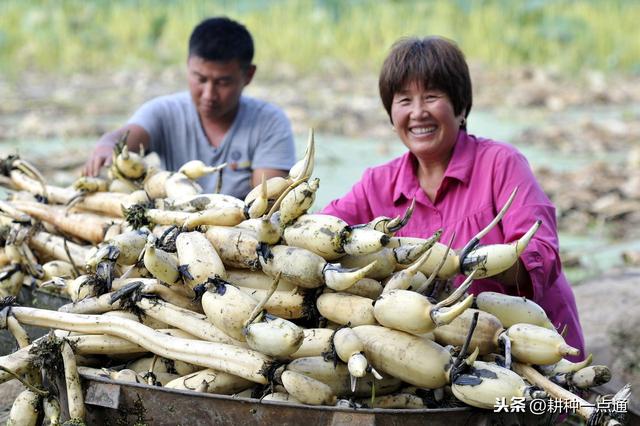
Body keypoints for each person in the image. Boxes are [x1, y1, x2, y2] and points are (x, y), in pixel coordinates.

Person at [321, 36, 585, 360]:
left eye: (431, 97)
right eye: (404, 100)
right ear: (391, 115)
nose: (418, 113)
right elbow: (325, 231)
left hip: (531, 352)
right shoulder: (377, 184)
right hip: (440, 358)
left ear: (460, 107)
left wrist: (466, 264)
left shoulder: (500, 164)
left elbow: (540, 255)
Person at [83, 16, 296, 200]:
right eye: (200, 79)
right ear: (188, 65)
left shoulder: (270, 123)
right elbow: (123, 138)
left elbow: (268, 203)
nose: (209, 94)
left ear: (248, 75)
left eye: (222, 82)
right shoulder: (163, 112)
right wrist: (107, 144)